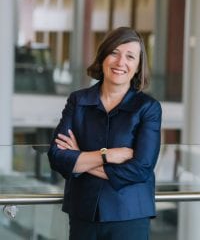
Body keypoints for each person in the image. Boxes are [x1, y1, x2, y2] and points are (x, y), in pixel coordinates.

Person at [48, 26, 162, 240]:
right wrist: (107, 155)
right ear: (103, 57)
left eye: (130, 56)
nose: (121, 62)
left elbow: (141, 169)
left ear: (138, 66)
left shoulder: (148, 108)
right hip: (83, 214)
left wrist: (81, 158)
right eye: (114, 53)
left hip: (129, 216)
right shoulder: (78, 100)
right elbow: (57, 157)